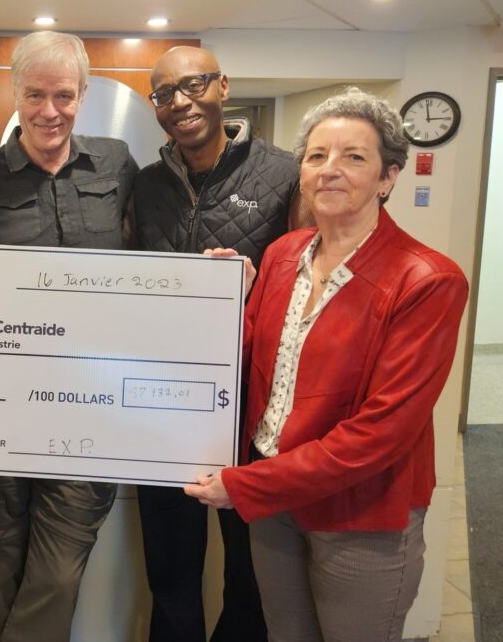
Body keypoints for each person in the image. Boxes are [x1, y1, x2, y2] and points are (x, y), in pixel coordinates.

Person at [185, 88, 468, 642]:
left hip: (361, 516)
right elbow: (251, 364)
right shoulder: (283, 254)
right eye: (316, 156)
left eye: (353, 157)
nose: (330, 171)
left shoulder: (428, 280)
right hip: (275, 507)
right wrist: (225, 300)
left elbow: (381, 434)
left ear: (388, 177)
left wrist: (247, 485)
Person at [0, 31, 138, 642]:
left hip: (88, 411)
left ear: (82, 95)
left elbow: (156, 260)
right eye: (35, 94)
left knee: (56, 577)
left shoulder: (118, 165)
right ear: (15, 94)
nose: (48, 111)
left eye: (63, 95)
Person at [127, 45, 300, 642]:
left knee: (251, 575)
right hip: (163, 412)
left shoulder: (283, 173)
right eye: (164, 94)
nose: (180, 102)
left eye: (193, 85)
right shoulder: (145, 186)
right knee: (170, 574)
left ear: (223, 85)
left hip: (251, 413)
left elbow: (307, 283)